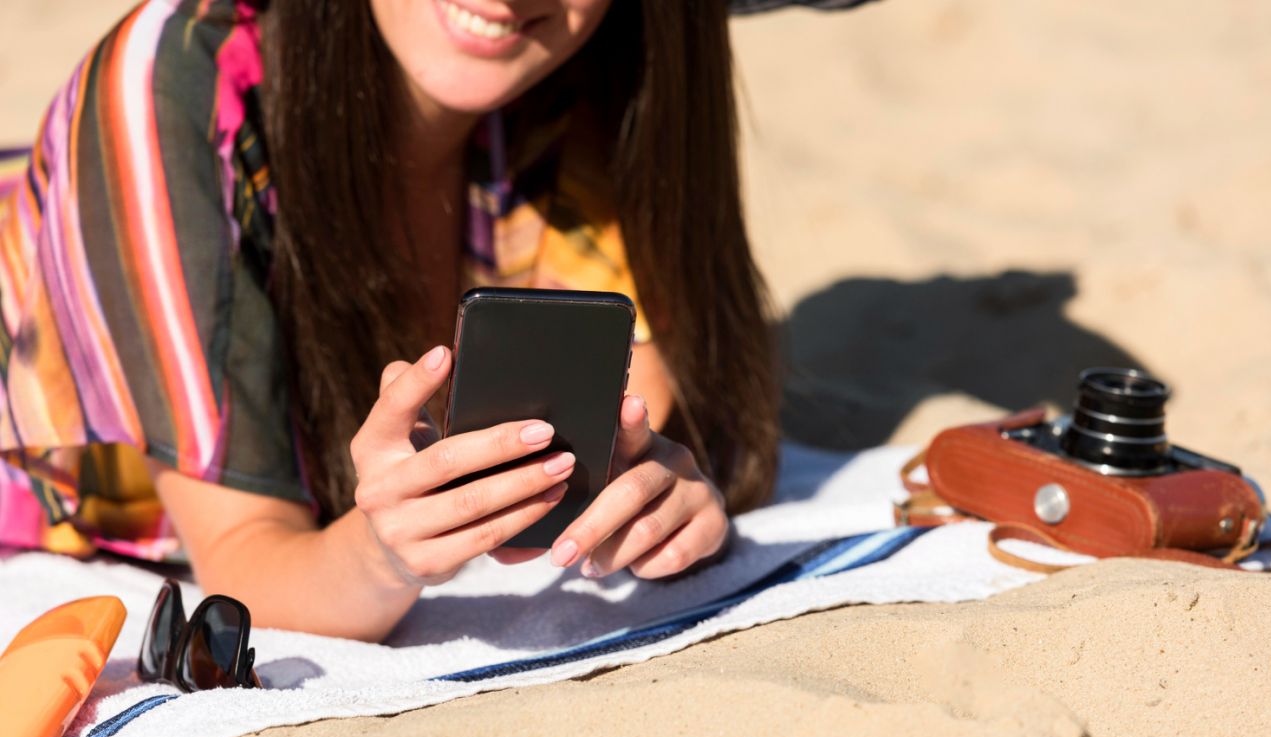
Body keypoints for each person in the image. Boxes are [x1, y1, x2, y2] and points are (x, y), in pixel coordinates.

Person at [0, 0, 802, 641]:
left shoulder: (588, 70)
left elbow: (658, 414)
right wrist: (383, 554)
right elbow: (248, 572)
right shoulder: (177, 84)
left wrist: (666, 498)